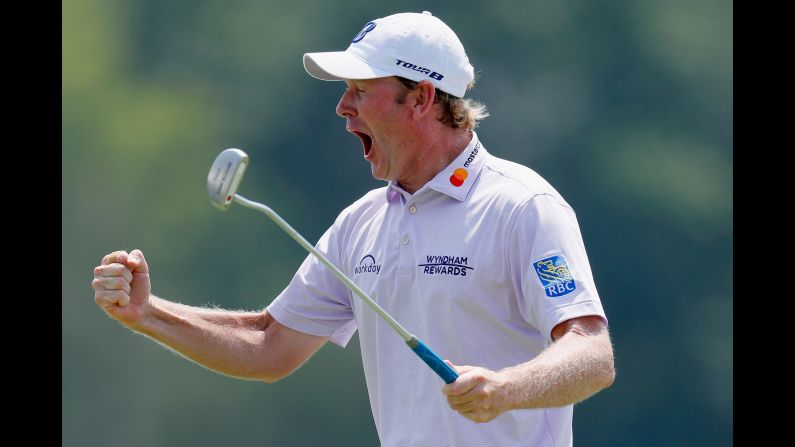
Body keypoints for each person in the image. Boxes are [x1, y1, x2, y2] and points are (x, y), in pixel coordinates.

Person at [92, 11, 615, 447]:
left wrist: (508, 387)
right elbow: (269, 345)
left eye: (361, 90)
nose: (343, 108)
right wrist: (148, 314)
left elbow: (592, 352)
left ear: (420, 99)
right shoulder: (360, 223)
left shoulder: (522, 206)